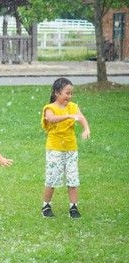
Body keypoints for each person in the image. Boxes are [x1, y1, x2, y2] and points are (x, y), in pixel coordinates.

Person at [40, 77, 90, 218]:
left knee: (73, 178)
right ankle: (46, 205)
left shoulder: (73, 107)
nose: (69, 96)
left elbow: (81, 118)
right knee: (52, 178)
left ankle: (73, 207)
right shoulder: (49, 108)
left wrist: (86, 129)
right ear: (57, 93)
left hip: (71, 149)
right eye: (67, 93)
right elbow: (51, 119)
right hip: (55, 149)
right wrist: (68, 116)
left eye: (71, 93)